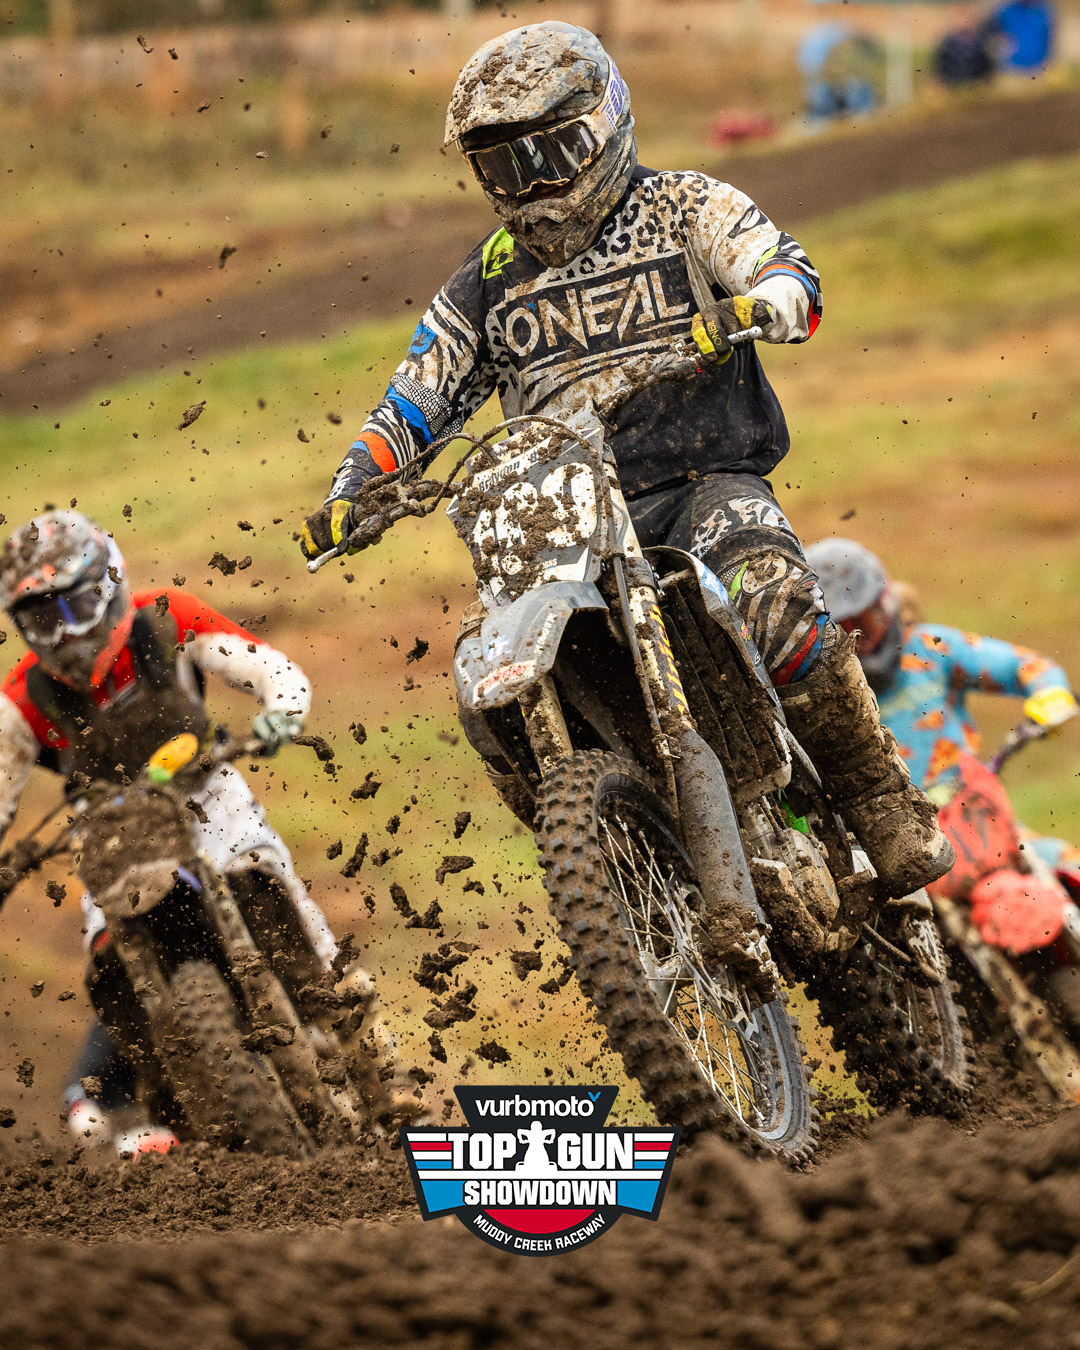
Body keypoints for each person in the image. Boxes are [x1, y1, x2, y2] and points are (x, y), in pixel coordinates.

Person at [300, 21, 954, 898]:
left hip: (699, 485)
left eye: (551, 155)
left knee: (774, 597)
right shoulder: (486, 281)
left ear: (605, 123)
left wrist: (762, 303)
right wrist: (353, 488)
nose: (535, 188)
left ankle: (877, 795)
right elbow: (415, 398)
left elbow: (782, 268)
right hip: (562, 519)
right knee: (493, 679)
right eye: (504, 168)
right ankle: (610, 873)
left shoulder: (684, 206)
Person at [0, 510, 334, 1156]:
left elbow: (272, 669)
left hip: (206, 792)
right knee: (108, 961)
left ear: (108, 583)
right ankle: (160, 1097)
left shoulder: (166, 617)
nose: (65, 633)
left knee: (276, 889)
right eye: (42, 620)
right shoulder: (24, 698)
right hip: (108, 827)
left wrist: (282, 713)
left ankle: (351, 1022)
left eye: (75, 607)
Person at [805, 537, 1078, 868]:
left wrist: (1050, 693)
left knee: (1066, 864)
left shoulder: (931, 648)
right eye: (841, 627)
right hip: (899, 844)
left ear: (884, 604)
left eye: (863, 621)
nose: (858, 638)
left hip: (975, 813)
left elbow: (1024, 665)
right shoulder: (821, 692)